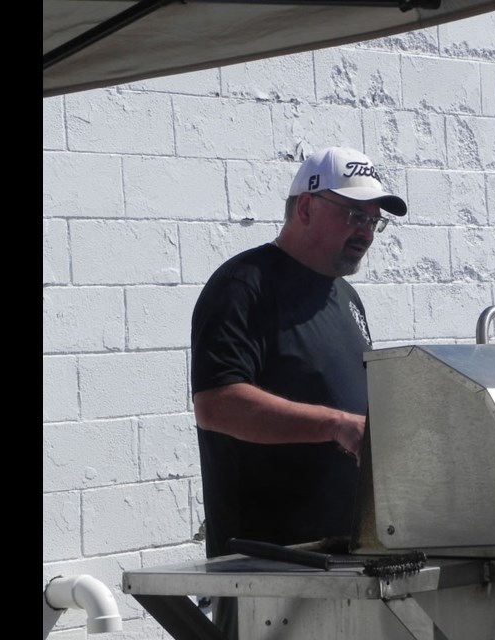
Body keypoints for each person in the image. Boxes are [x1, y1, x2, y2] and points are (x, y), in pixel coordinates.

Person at [189, 146, 406, 638]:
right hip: (268, 567)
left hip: (344, 561)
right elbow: (217, 405)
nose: (366, 233)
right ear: (305, 207)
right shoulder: (244, 286)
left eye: (375, 222)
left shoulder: (346, 297)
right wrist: (335, 425)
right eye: (354, 215)